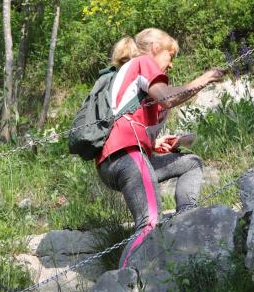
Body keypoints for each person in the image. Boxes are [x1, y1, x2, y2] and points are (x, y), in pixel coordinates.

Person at [96, 28, 225, 269]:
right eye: (171, 55)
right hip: (126, 156)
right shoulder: (143, 62)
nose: (172, 64)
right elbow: (167, 97)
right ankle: (120, 282)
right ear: (155, 48)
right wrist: (204, 79)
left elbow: (132, 119)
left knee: (191, 163)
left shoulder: (131, 80)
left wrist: (157, 143)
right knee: (149, 222)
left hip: (120, 159)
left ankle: (186, 219)